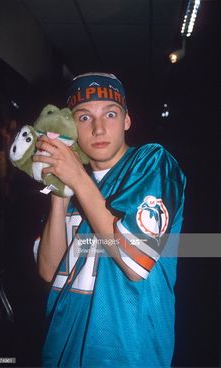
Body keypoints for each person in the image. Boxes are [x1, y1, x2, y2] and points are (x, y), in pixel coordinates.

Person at [33, 72, 186, 367]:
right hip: (62, 349)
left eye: (111, 114)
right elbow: (50, 272)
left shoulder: (153, 163)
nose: (99, 128)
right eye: (84, 118)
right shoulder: (73, 183)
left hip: (128, 354)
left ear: (127, 121)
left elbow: (135, 259)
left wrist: (76, 177)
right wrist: (59, 193)